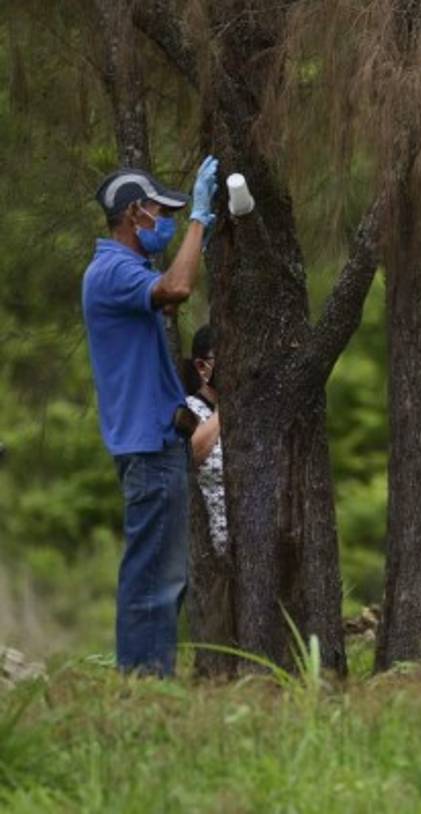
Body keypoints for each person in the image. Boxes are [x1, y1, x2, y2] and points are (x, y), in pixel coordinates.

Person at [83, 157, 219, 675]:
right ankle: (143, 684)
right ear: (133, 215)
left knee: (162, 575)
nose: (167, 221)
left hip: (154, 444)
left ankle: (146, 679)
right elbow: (177, 289)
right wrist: (201, 220)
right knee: (153, 579)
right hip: (149, 445)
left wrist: (200, 238)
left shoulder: (125, 272)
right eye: (160, 212)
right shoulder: (112, 271)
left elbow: (166, 289)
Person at [182, 325, 226, 554]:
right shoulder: (187, 411)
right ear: (202, 366)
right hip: (207, 554)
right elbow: (188, 455)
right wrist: (226, 408)